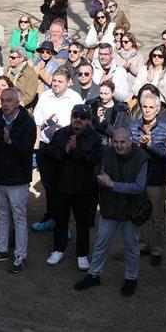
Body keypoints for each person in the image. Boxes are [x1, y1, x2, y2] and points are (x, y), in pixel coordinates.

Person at [74, 127, 148, 295]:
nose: (119, 145)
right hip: (109, 206)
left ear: (130, 141)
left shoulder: (142, 158)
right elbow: (100, 175)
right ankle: (93, 275)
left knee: (131, 246)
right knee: (101, 243)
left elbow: (138, 187)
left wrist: (111, 184)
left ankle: (131, 278)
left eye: (122, 142)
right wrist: (100, 180)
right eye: (115, 142)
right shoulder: (107, 153)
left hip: (130, 209)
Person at [0, 87, 35, 271]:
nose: (4, 104)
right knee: (1, 214)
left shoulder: (27, 122)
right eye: (2, 100)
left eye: (8, 100)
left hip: (17, 179)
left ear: (18, 102)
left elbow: (27, 149)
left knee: (19, 217)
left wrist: (9, 142)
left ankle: (20, 255)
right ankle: (1, 249)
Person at [43, 104, 102, 268]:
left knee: (83, 223)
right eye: (75, 116)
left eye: (82, 118)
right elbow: (51, 154)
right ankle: (58, 249)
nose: (78, 120)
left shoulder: (95, 138)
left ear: (88, 120)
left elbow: (94, 159)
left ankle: (82, 254)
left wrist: (76, 151)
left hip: (84, 189)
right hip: (61, 186)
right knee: (60, 220)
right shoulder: (60, 134)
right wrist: (66, 150)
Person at [32, 70, 84, 232]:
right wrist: (44, 121)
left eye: (60, 81)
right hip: (46, 145)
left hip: (65, 147)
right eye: (54, 80)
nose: (55, 83)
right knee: (48, 185)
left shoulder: (74, 97)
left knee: (64, 185)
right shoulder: (46, 96)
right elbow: (36, 116)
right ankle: (50, 217)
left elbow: (80, 120)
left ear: (68, 82)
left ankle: (63, 223)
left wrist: (63, 126)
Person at [129, 93, 166, 265]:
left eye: (151, 107)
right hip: (137, 177)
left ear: (157, 110)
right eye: (144, 107)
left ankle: (156, 249)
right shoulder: (133, 126)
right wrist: (137, 147)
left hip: (156, 179)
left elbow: (165, 155)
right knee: (140, 213)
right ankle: (143, 245)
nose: (147, 110)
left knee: (156, 216)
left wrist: (150, 145)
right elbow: (128, 150)